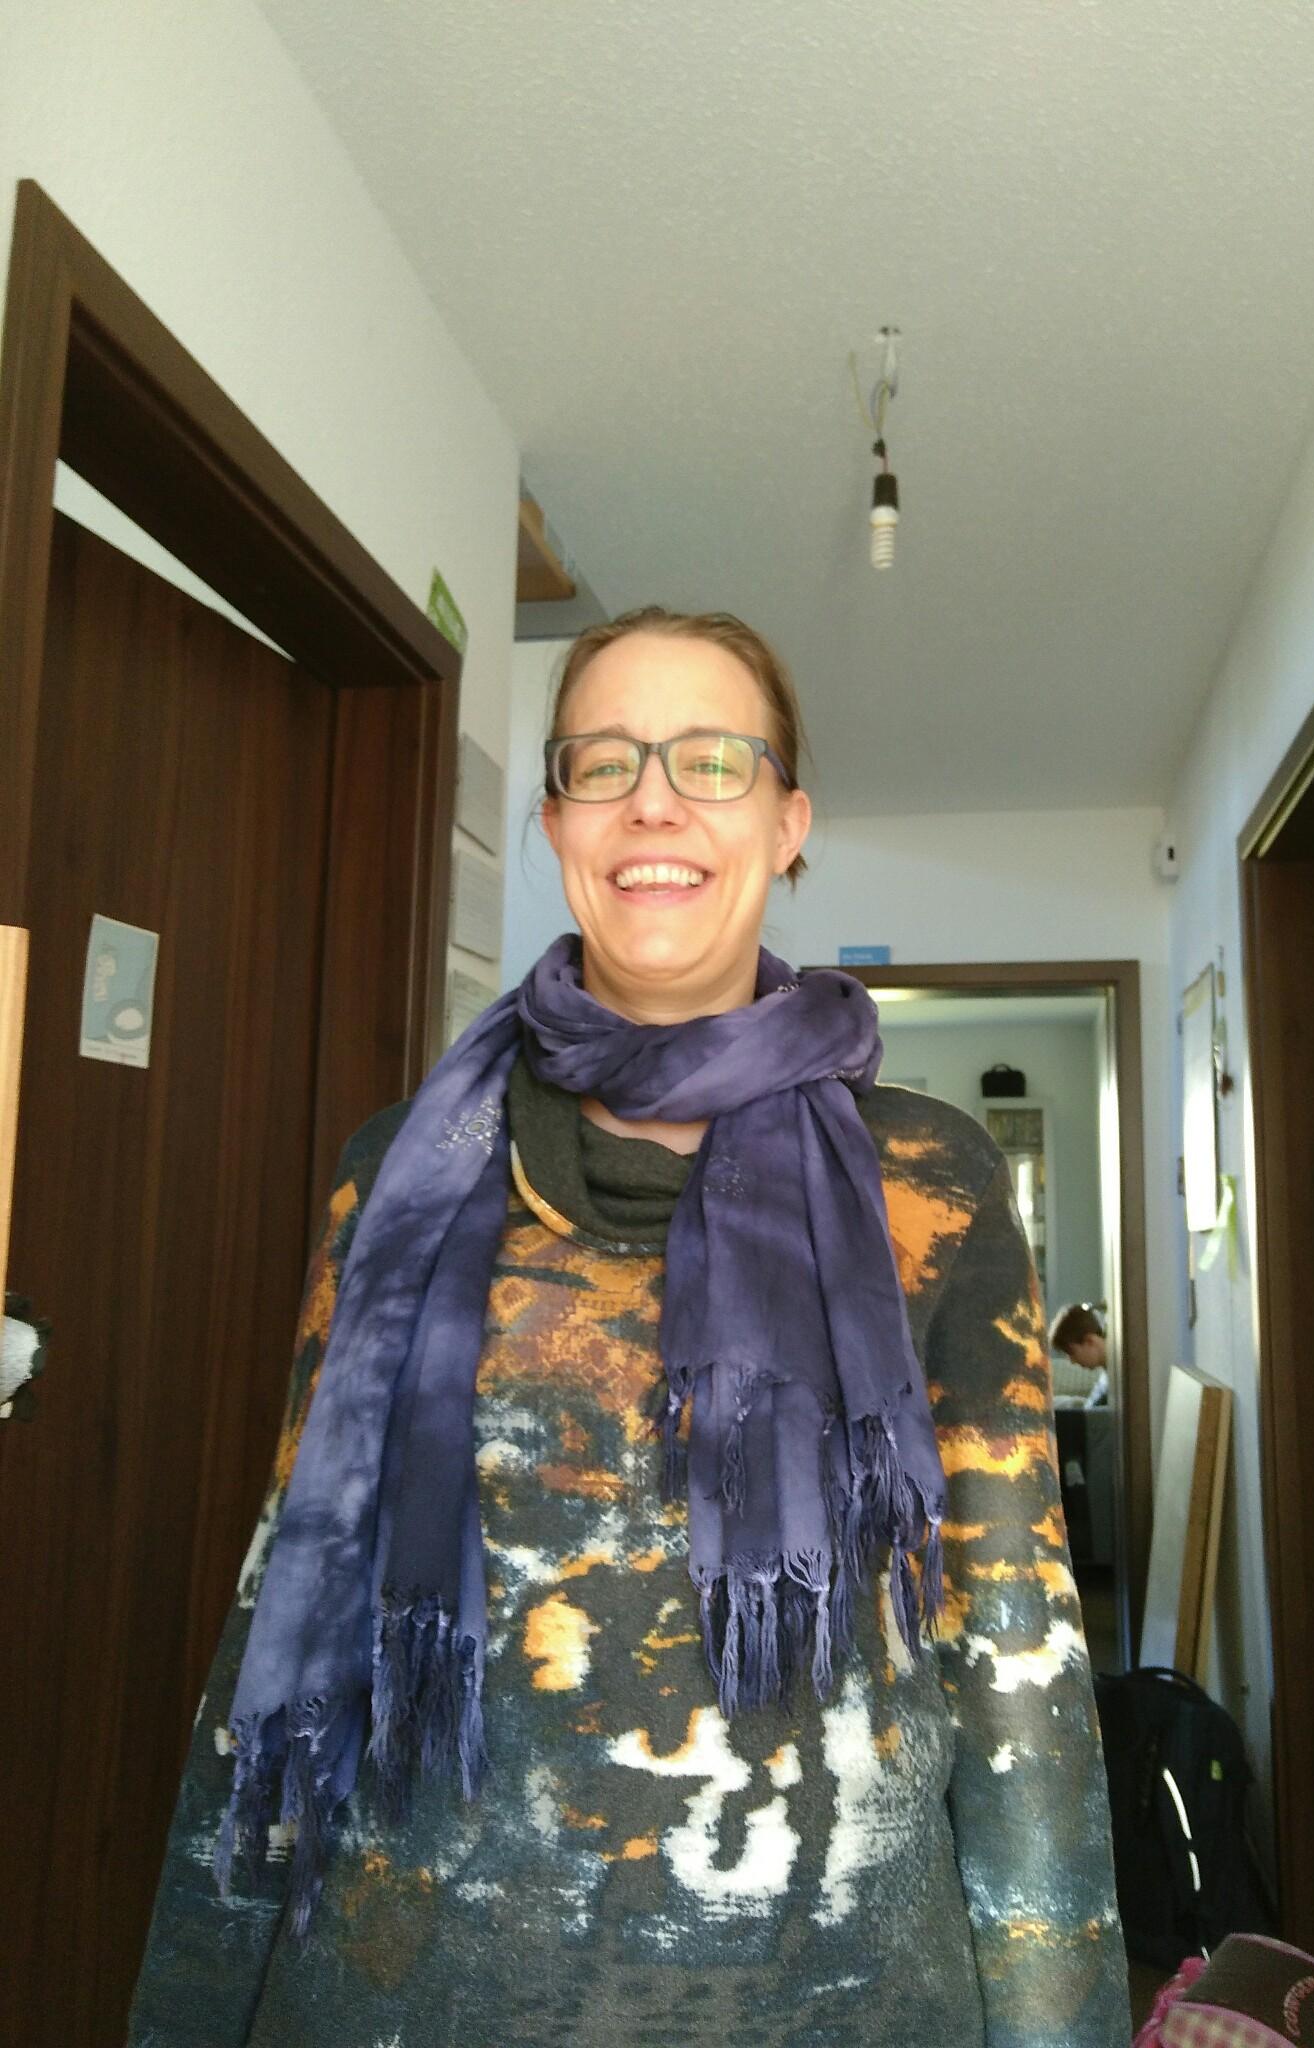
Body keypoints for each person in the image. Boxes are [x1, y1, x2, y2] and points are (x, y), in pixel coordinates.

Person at [131, 608, 1130, 2046]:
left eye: (712, 760)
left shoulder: (934, 1181)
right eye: (604, 763)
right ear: (555, 821)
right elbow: (285, 1596)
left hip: (836, 1998)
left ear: (788, 824)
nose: (653, 799)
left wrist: (1060, 2018)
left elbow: (1017, 1656)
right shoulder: (399, 1171)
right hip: (406, 1990)